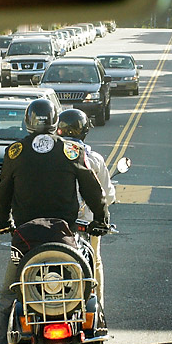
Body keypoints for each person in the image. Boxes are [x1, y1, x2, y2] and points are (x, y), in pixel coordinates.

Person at [0, 98, 109, 344]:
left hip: (26, 240)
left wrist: (3, 222)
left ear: (27, 123)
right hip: (65, 236)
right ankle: (96, 336)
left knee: (8, 295)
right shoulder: (71, 151)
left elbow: (2, 193)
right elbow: (93, 191)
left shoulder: (16, 152)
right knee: (87, 288)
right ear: (56, 123)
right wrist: (101, 220)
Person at [56, 108, 116, 308]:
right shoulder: (94, 158)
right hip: (87, 222)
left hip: (56, 220)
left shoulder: (52, 156)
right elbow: (106, 195)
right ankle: (97, 305)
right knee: (95, 260)